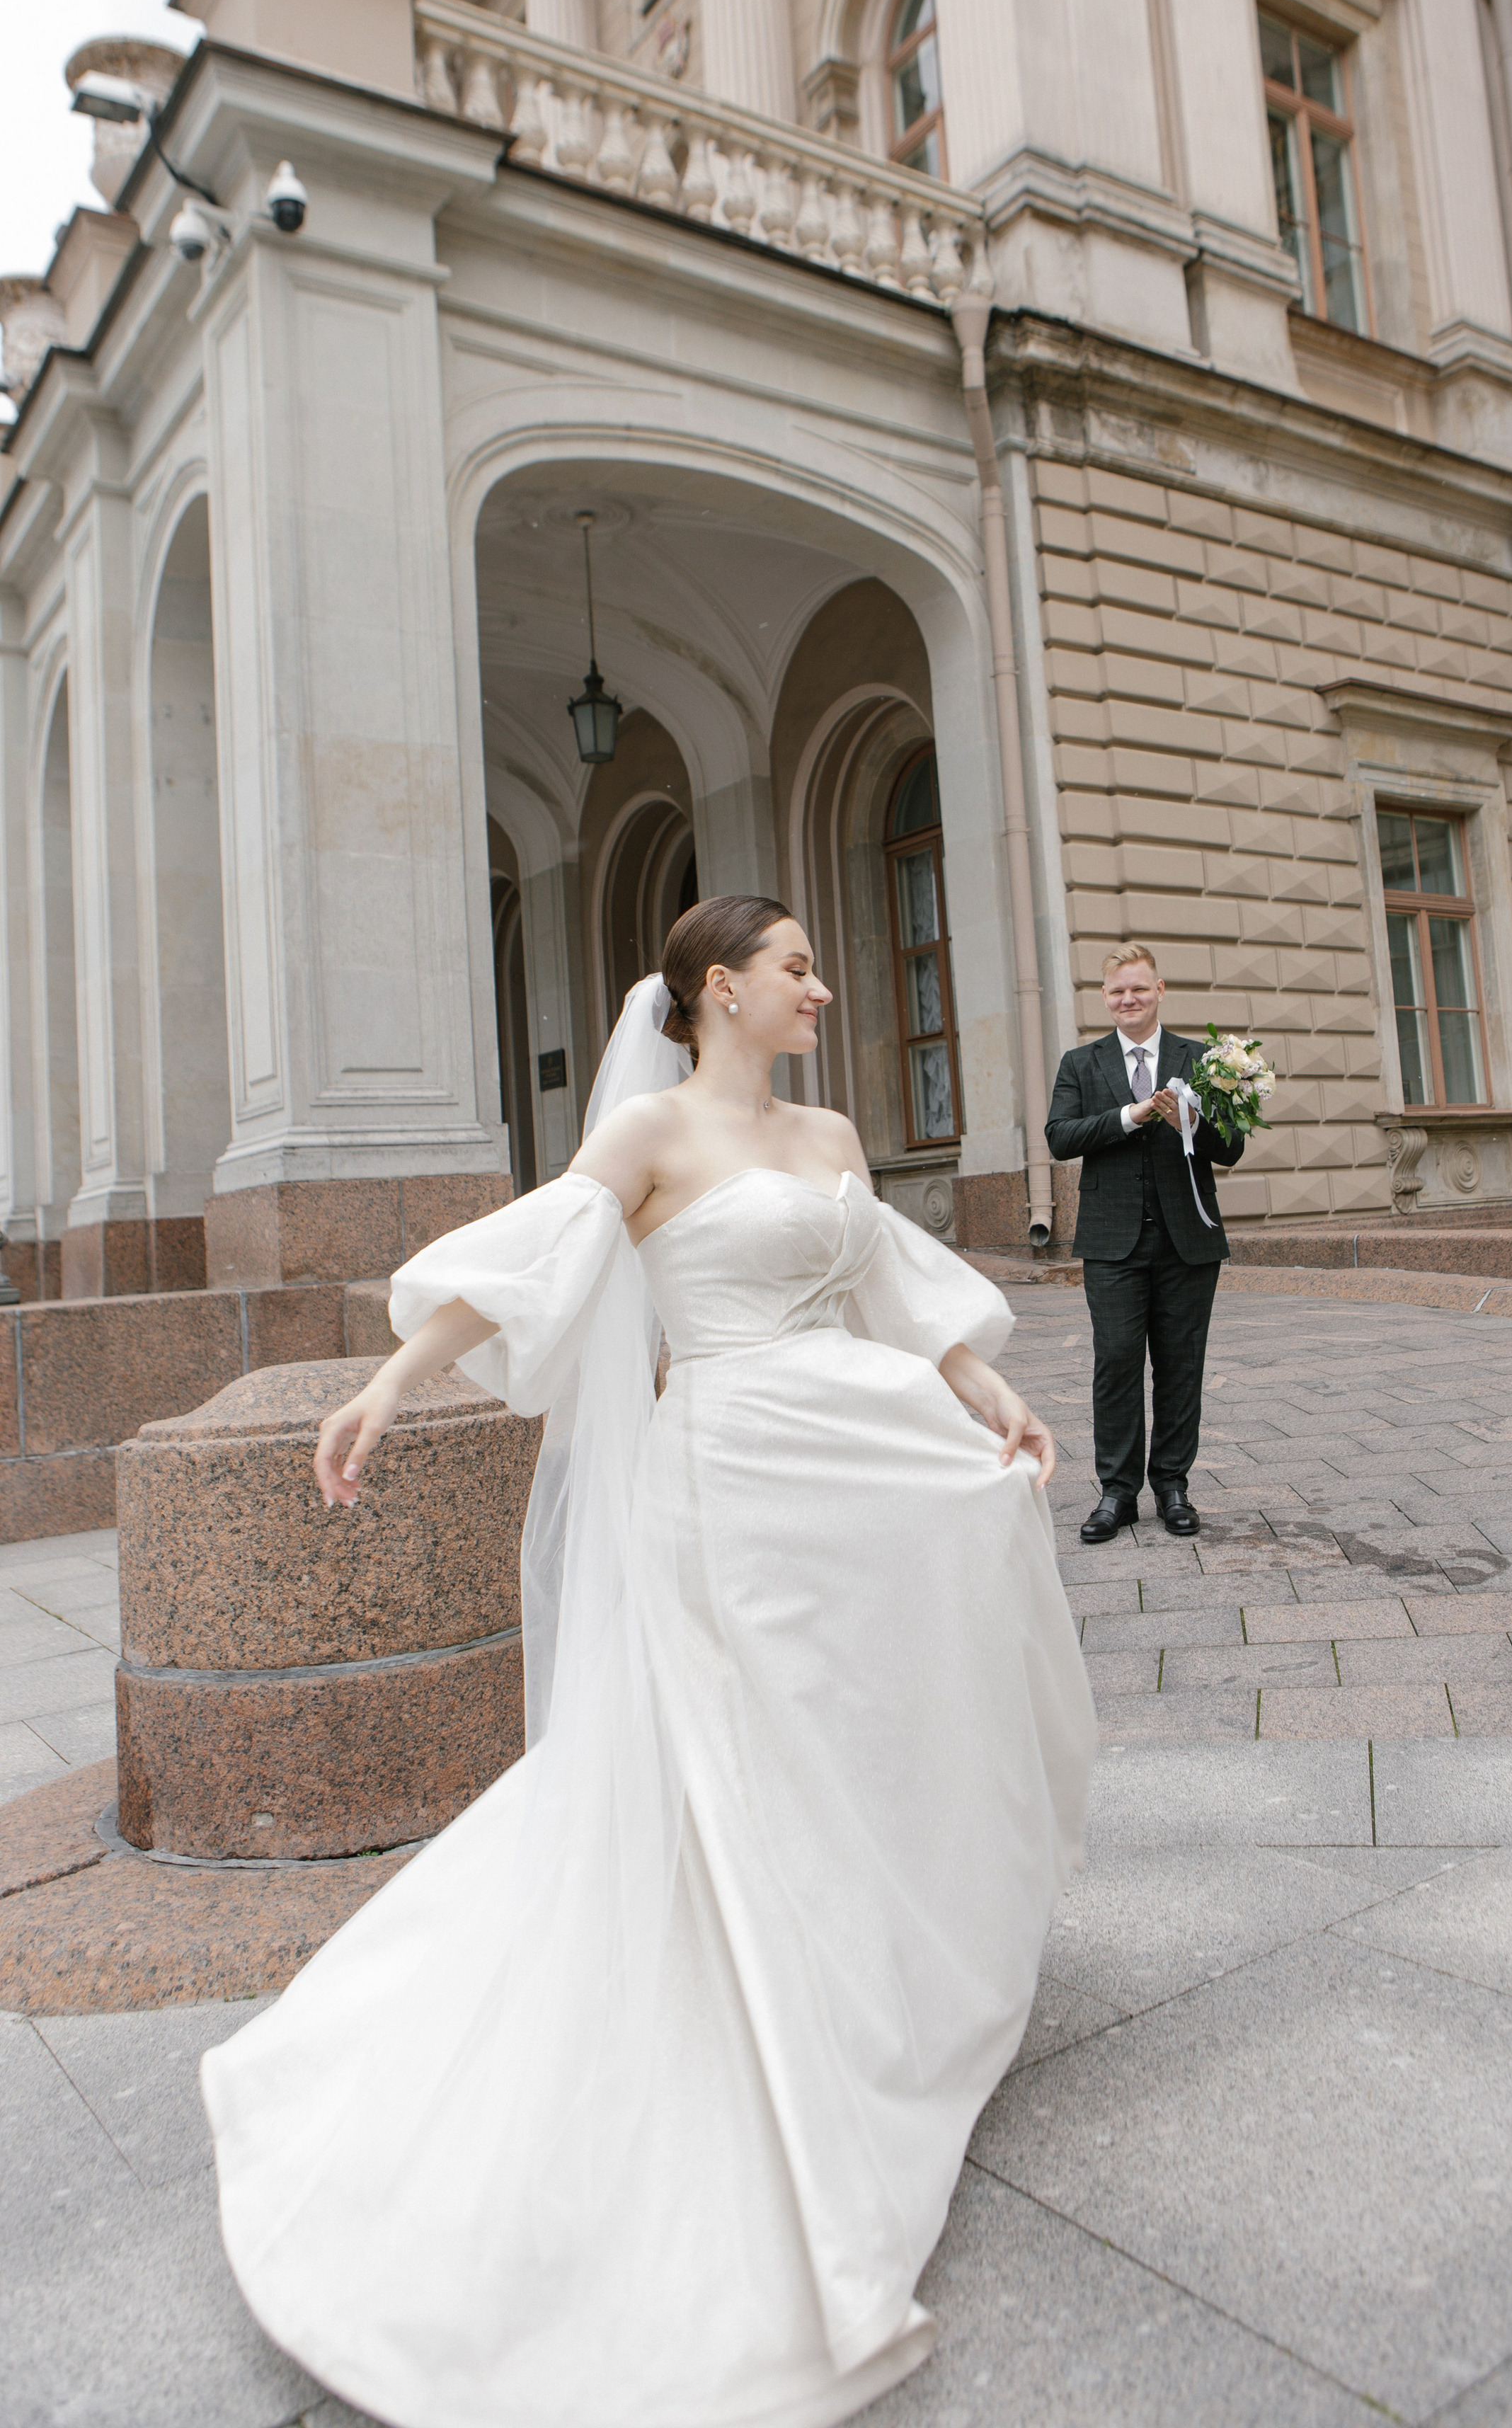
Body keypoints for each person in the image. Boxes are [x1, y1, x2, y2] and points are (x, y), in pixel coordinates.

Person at [200, 895, 1094, 2428]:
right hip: (730, 1478)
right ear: (716, 989)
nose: (820, 986)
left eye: (818, 964)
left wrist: (981, 1390)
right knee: (725, 1758)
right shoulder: (650, 1140)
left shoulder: (826, 1139)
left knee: (855, 1736)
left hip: (858, 1463)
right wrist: (391, 1381)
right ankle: (754, 2039)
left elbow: (884, 1286)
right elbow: (535, 1265)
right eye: (796, 967)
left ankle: (874, 1980)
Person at [1044, 939, 1245, 1545]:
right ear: (1105, 999)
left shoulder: (1203, 1059)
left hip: (1189, 1240)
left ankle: (1174, 1487)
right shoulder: (1081, 1064)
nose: (1127, 998)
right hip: (1111, 1245)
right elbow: (1059, 1137)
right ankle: (1117, 1492)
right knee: (1117, 1364)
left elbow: (1231, 1148)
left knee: (1181, 1366)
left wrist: (1193, 1124)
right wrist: (1131, 1117)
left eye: (1138, 988)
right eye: (1116, 991)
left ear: (1159, 991)